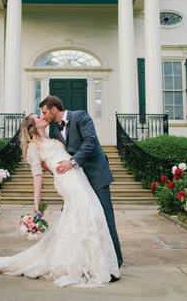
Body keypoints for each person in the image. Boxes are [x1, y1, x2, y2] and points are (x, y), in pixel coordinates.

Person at [0, 110, 120, 288]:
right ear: (32, 127)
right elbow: (37, 176)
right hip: (68, 183)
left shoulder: (54, 140)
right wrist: (36, 204)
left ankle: (89, 261)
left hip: (80, 178)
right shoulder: (33, 148)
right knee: (88, 213)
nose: (42, 116)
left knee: (89, 215)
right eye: (38, 117)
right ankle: (85, 264)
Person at [39, 95, 123, 272]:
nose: (43, 116)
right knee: (77, 219)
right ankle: (87, 260)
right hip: (78, 182)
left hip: (96, 175)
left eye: (45, 112)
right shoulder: (55, 132)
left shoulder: (80, 116)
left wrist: (72, 162)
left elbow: (90, 142)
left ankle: (115, 261)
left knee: (105, 217)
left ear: (54, 109)